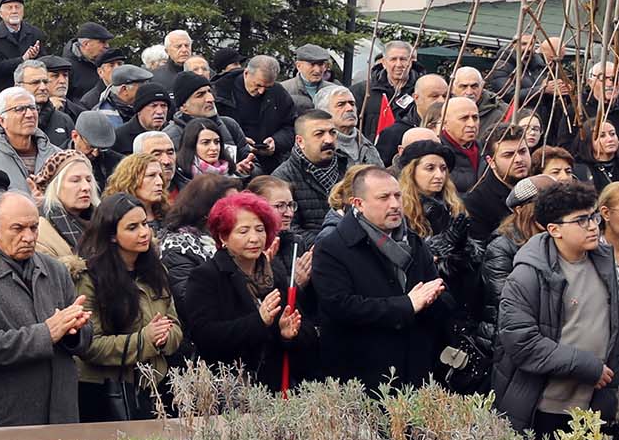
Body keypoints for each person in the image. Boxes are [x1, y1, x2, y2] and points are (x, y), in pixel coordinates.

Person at [492, 181, 619, 440]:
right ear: (554, 229)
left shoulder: (600, 261)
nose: (594, 226)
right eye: (582, 220)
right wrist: (588, 367)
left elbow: (606, 312)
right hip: (544, 406)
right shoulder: (527, 275)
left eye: (593, 217)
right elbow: (522, 342)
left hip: (593, 407)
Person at [0, 191, 90, 428]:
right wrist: (47, 333)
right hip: (2, 421)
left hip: (60, 415)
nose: (29, 237)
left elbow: (84, 340)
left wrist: (75, 330)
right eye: (18, 228)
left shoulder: (56, 270)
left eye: (34, 227)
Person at [313, 164, 452, 390]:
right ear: (358, 203)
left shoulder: (414, 243)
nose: (395, 204)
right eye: (384, 197)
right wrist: (406, 305)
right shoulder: (333, 247)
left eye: (397, 196)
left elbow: (435, 291)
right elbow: (339, 306)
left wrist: (436, 299)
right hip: (361, 375)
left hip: (414, 369)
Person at [172, 188, 308, 392]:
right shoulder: (206, 276)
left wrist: (286, 334)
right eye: (243, 231)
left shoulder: (275, 271)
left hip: (272, 386)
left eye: (260, 229)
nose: (254, 238)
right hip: (229, 387)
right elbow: (205, 336)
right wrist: (258, 321)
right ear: (223, 237)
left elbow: (302, 326)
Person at [79, 191, 184, 417]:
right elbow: (90, 346)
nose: (144, 232)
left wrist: (165, 337)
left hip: (154, 384)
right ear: (112, 235)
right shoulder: (89, 278)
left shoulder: (156, 270)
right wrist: (145, 339)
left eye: (145, 224)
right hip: (107, 393)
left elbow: (174, 324)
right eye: (132, 227)